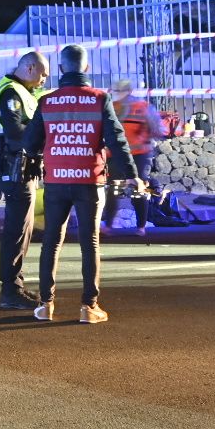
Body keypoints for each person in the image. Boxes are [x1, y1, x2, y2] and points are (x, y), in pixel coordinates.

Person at [20, 44, 141, 323]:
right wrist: (132, 175)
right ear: (85, 68)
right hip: (89, 181)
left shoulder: (47, 102)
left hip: (56, 182)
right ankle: (89, 307)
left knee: (51, 241)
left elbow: (30, 143)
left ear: (61, 69)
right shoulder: (100, 98)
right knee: (90, 242)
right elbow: (117, 140)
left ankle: (45, 305)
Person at [0, 51, 48, 308]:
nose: (45, 79)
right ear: (30, 67)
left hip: (22, 168)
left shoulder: (25, 92)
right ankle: (11, 290)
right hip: (14, 167)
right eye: (43, 73)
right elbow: (16, 133)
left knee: (22, 229)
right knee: (17, 230)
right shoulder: (11, 93)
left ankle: (14, 286)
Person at [101, 79, 164, 236]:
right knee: (113, 190)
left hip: (138, 155)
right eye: (114, 91)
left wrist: (147, 135)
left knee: (138, 189)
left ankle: (141, 226)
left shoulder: (142, 108)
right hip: (115, 155)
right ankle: (109, 225)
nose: (116, 94)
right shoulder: (110, 107)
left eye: (119, 91)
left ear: (128, 91)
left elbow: (157, 129)